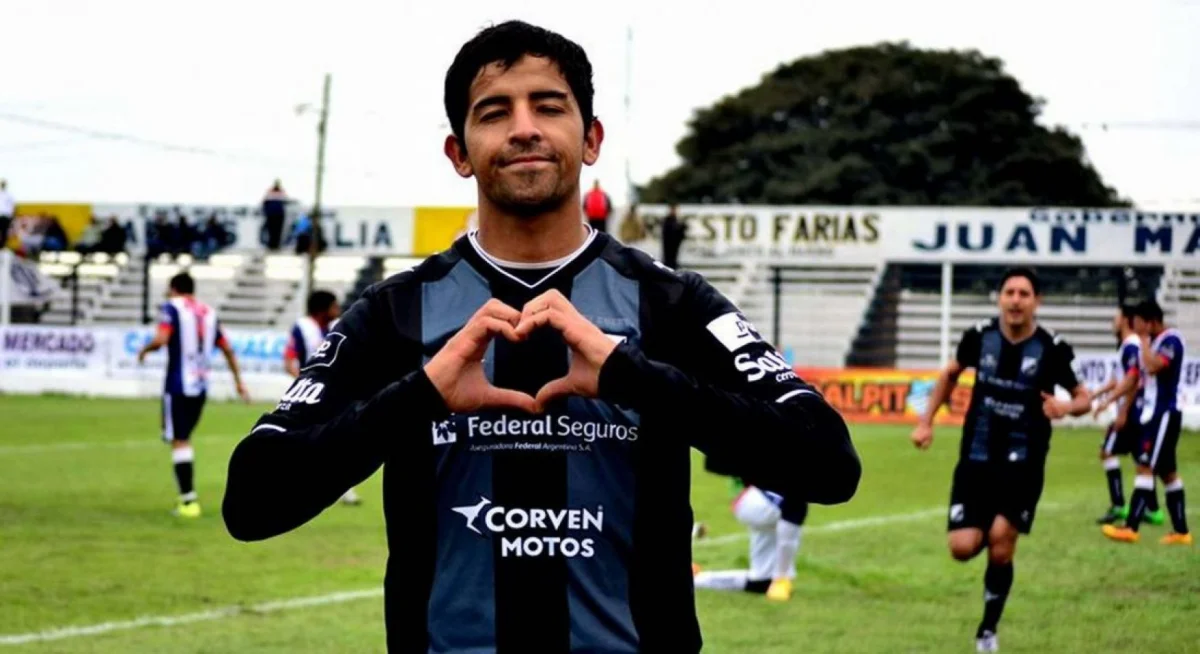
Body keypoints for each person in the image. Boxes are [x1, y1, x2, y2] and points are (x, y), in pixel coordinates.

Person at [222, 20, 860, 653]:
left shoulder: (671, 304)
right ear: (459, 153)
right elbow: (251, 501)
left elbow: (828, 463)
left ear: (591, 140)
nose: (524, 127)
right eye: (494, 112)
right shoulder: (396, 312)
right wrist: (422, 394)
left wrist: (630, 375)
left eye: (549, 107)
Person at [910, 267, 1092, 653]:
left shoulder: (1053, 348)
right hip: (975, 458)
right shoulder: (979, 336)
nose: (1015, 300)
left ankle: (987, 630)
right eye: (1009, 292)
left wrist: (1065, 407)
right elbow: (950, 374)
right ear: (999, 298)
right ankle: (986, 535)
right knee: (962, 547)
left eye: (1024, 294)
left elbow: (1084, 398)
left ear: (1037, 301)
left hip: (1023, 464)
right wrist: (926, 422)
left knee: (1001, 543)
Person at [138, 272, 250, 518]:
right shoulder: (208, 312)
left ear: (173, 288)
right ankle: (188, 499)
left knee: (179, 439)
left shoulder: (172, 307)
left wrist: (144, 350)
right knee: (183, 436)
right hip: (200, 385)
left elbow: (161, 338)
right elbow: (227, 349)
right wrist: (238, 382)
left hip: (178, 384)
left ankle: (188, 501)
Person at [1099, 300, 1191, 546]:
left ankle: (1131, 527)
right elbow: (1134, 378)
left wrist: (1142, 339)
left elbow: (1152, 366)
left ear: (1150, 322)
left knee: (1145, 466)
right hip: (1153, 414)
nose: (1135, 326)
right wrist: (1108, 399)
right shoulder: (1152, 343)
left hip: (1165, 413)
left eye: (1139, 322)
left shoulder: (1171, 340)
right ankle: (1181, 532)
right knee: (1167, 473)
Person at [283, 290, 360, 506]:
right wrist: (303, 382)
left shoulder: (338, 327)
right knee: (304, 441)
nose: (338, 310)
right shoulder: (302, 327)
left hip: (336, 394)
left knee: (342, 438)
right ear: (322, 309)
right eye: (334, 306)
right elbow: (289, 359)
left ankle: (344, 488)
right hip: (309, 395)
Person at [1091, 304, 1163, 525]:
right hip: (1136, 410)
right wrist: (1095, 395)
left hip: (1132, 410)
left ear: (1124, 320)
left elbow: (1133, 380)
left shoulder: (1131, 345)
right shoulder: (1128, 346)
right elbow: (1118, 379)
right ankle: (1153, 509)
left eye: (1116, 317)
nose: (1113, 322)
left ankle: (1119, 505)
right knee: (1140, 460)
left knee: (1107, 452)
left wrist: (1120, 410)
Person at [692, 479, 806, 602]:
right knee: (794, 504)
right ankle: (782, 578)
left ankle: (697, 579)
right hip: (750, 493)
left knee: (762, 582)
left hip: (763, 495)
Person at [262, 180, 288, 251]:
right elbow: (264, 203)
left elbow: (285, 201)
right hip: (272, 214)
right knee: (272, 231)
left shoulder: (281, 192)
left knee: (277, 231)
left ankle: (276, 245)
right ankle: (272, 245)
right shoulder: (270, 192)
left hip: (278, 214)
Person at [660, 203, 687, 270]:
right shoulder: (667, 219)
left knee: (674, 257)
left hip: (675, 243)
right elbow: (667, 232)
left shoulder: (678, 220)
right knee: (668, 258)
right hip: (669, 243)